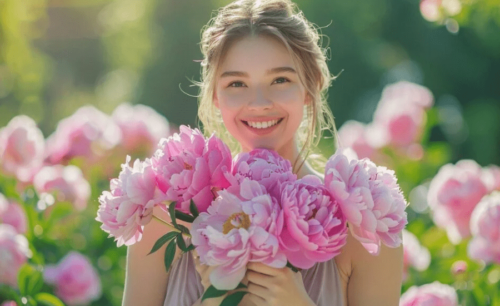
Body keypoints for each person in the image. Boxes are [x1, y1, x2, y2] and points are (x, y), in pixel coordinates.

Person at [122, 0, 404, 305]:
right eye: (237, 83)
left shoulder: (363, 228)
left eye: (280, 80)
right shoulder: (164, 219)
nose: (258, 102)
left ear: (311, 86)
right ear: (215, 96)